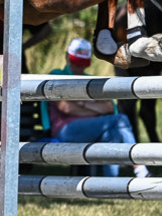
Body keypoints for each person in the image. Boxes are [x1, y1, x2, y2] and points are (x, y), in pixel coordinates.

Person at [46, 38, 149, 178]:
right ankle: (139, 167)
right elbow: (66, 108)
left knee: (112, 134)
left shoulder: (90, 80)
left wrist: (80, 104)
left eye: (83, 64)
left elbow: (110, 107)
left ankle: (110, 184)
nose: (79, 68)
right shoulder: (56, 75)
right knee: (120, 120)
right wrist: (93, 107)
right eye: (76, 63)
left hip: (91, 128)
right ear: (67, 57)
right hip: (65, 130)